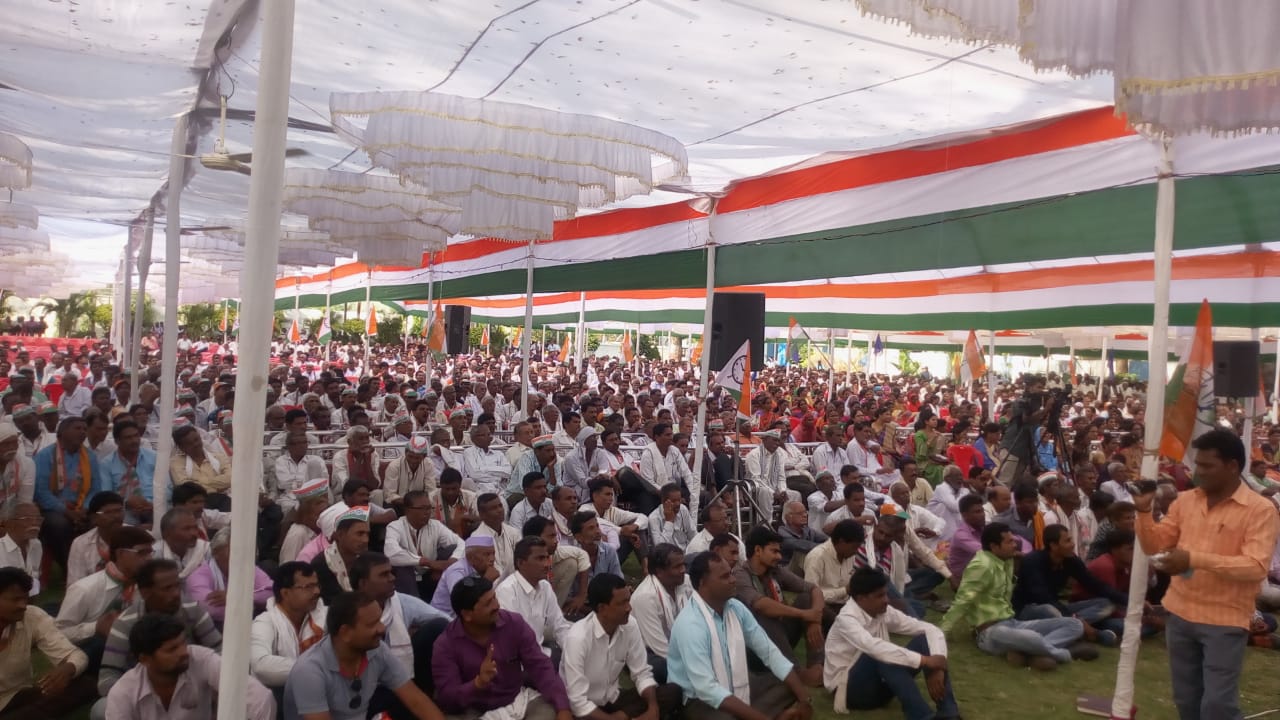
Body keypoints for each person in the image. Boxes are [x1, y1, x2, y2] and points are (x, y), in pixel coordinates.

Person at [1133, 429, 1280, 720]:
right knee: (1186, 701)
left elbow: (1255, 567)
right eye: (1197, 464)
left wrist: (1192, 559)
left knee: (1217, 705)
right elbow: (1155, 545)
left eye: (1207, 465)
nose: (1198, 472)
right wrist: (1143, 512)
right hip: (1179, 614)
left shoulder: (1259, 510)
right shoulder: (1186, 501)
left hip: (1224, 619)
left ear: (1233, 466)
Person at [667, 552, 813, 720]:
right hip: (698, 700)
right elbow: (706, 688)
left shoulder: (736, 608)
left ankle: (753, 713)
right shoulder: (690, 624)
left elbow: (769, 652)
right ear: (702, 583)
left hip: (736, 685)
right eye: (725, 577)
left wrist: (805, 700)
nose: (733, 580)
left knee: (789, 684)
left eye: (731, 573)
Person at [938, 522, 1087, 671]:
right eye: (1009, 542)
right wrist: (941, 633)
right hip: (989, 632)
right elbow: (962, 601)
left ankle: (1030, 652)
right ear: (994, 546)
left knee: (1074, 625)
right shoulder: (981, 565)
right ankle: (1063, 654)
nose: (1015, 545)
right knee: (1030, 637)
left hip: (1012, 622)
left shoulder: (1007, 560)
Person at [282, 591, 445, 720]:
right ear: (345, 632)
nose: (382, 628)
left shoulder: (377, 650)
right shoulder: (310, 671)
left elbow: (416, 700)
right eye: (372, 624)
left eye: (379, 620)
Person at [824, 567, 959, 719]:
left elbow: (931, 629)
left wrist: (938, 666)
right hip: (849, 692)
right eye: (880, 596)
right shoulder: (846, 619)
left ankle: (949, 713)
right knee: (881, 653)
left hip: (881, 689)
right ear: (861, 598)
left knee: (924, 640)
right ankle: (922, 716)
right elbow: (874, 648)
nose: (887, 600)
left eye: (886, 594)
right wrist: (925, 661)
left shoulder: (883, 611)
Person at [431, 576, 573, 720]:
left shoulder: (513, 623)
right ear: (467, 615)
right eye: (488, 603)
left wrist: (563, 708)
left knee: (549, 711)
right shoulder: (445, 645)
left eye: (494, 598)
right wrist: (478, 683)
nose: (496, 605)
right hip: (473, 709)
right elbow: (448, 699)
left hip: (515, 700)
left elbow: (540, 666)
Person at [105, 613, 274, 720]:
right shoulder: (123, 693)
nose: (183, 652)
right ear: (145, 659)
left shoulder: (201, 659)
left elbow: (260, 698)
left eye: (183, 643)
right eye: (172, 649)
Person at [97, 558, 223, 699]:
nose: (176, 593)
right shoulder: (125, 624)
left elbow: (220, 652)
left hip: (192, 688)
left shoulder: (193, 610)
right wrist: (142, 698)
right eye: (167, 588)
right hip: (141, 695)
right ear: (145, 593)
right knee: (102, 708)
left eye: (177, 586)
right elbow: (107, 678)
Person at [561, 574, 681, 720]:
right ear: (602, 608)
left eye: (628, 601)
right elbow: (578, 702)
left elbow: (641, 673)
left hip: (613, 700)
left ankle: (625, 716)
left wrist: (652, 708)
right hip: (586, 710)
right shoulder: (578, 638)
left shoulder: (630, 625)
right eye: (621, 603)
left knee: (672, 692)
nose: (629, 608)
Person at [733, 526, 825, 686]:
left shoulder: (775, 571)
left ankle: (817, 665)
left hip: (780, 637)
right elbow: (761, 605)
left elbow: (814, 589)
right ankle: (796, 672)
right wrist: (804, 614)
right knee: (765, 614)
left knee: (807, 599)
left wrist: (815, 618)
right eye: (774, 551)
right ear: (758, 550)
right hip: (752, 647)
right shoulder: (740, 574)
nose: (779, 556)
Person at [349, 552, 451, 697]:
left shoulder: (400, 602)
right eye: (384, 575)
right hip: (362, 684)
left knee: (439, 626)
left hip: (403, 676)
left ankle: (426, 692)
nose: (392, 578)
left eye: (391, 573)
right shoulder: (345, 612)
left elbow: (447, 621)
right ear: (363, 584)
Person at [0, 567, 96, 719]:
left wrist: (67, 668)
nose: (23, 605)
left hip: (17, 695)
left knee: (86, 684)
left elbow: (76, 655)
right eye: (15, 599)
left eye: (25, 598)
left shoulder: (32, 616)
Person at [1012, 523, 1124, 647]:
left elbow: (1095, 585)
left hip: (1058, 609)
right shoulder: (1032, 561)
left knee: (1107, 603)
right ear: (1053, 545)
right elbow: (1043, 597)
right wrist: (1072, 616)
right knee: (1049, 609)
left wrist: (1128, 600)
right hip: (1028, 610)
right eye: (1067, 541)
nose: (1073, 544)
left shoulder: (1070, 560)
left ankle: (1076, 627)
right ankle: (1094, 633)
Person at [33, 416, 103, 570]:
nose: (82, 432)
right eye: (77, 428)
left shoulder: (89, 456)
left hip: (82, 508)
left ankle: (95, 567)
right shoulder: (45, 456)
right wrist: (66, 511)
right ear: (62, 432)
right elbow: (41, 492)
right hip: (53, 508)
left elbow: (95, 488)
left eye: (84, 429)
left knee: (98, 521)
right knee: (59, 525)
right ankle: (70, 569)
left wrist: (85, 508)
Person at [249, 561, 328, 692]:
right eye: (308, 587)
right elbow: (260, 665)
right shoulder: (265, 622)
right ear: (285, 593)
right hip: (276, 696)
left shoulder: (324, 615)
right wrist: (315, 668)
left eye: (316, 585)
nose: (316, 591)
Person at [495, 536, 572, 654]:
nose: (547, 564)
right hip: (519, 659)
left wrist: (572, 653)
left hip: (540, 655)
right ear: (521, 563)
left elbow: (560, 627)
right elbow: (511, 639)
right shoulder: (506, 591)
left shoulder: (545, 587)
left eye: (547, 558)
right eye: (540, 559)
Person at [629, 543, 691, 683]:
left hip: (678, 646)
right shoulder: (645, 597)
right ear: (659, 571)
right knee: (661, 668)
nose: (683, 570)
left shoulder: (685, 581)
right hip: (649, 651)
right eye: (677, 567)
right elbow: (659, 648)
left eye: (683, 565)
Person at [187, 526, 274, 624]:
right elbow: (211, 610)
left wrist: (237, 596)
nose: (240, 556)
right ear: (216, 553)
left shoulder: (246, 566)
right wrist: (253, 603)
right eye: (234, 551)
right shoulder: (198, 576)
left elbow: (272, 593)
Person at [384, 490, 462, 599]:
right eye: (422, 508)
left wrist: (451, 561)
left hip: (429, 574)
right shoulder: (395, 526)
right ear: (407, 510)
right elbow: (391, 553)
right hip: (408, 577)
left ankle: (450, 599)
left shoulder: (435, 525)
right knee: (403, 567)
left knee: (453, 550)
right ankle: (413, 604)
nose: (427, 512)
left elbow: (461, 544)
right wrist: (426, 562)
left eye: (429, 508)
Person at [99, 420, 157, 526]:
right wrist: (126, 502)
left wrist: (150, 504)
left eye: (136, 436)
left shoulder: (154, 457)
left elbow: (167, 487)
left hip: (155, 508)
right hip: (125, 511)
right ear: (117, 441)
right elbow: (105, 495)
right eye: (128, 438)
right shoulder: (106, 464)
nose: (134, 440)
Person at [802, 519, 864, 617]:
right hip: (823, 608)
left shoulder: (849, 555)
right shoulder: (817, 557)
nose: (856, 551)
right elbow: (810, 596)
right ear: (841, 542)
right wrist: (845, 591)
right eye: (854, 547)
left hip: (845, 606)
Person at [430, 535, 500, 618]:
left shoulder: (484, 569)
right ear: (471, 558)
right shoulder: (456, 571)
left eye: (493, 554)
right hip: (443, 619)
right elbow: (462, 600)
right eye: (487, 555)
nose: (492, 559)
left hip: (467, 616)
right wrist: (486, 580)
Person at [66, 490, 124, 586]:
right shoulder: (81, 543)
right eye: (108, 512)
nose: (116, 516)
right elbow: (75, 585)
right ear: (94, 518)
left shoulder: (138, 537)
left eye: (119, 511)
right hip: (93, 593)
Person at [313, 508, 372, 602]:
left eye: (367, 534)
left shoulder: (367, 561)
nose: (366, 540)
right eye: (360, 534)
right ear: (340, 535)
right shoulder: (321, 565)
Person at [996, 376, 1046, 485]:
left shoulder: (1038, 405)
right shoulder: (1020, 402)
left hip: (1025, 449)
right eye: (1038, 387)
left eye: (1042, 388)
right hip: (1012, 447)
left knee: (1016, 484)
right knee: (1005, 482)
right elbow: (1026, 419)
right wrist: (1046, 409)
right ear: (1029, 387)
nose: (1041, 390)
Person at [153, 507, 210, 583]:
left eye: (195, 528)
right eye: (186, 529)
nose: (194, 533)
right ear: (167, 534)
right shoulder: (153, 555)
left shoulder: (207, 550)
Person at [472, 492, 522, 578]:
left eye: (500, 506)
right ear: (482, 515)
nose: (500, 510)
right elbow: (491, 572)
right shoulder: (477, 539)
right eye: (493, 508)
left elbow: (522, 561)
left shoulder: (513, 532)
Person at [384, 436, 439, 507]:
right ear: (405, 452)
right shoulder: (394, 466)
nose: (413, 461)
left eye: (417, 458)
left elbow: (431, 491)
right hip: (398, 505)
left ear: (424, 456)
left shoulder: (428, 464)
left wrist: (419, 503)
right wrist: (410, 504)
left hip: (420, 505)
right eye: (410, 456)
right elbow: (389, 495)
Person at [0, 503, 42, 595]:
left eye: (38, 519)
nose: (35, 523)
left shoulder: (36, 545)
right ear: (10, 523)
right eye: (27, 519)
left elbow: (35, 579)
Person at [945, 494, 987, 581]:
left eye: (982, 511)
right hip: (964, 579)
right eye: (977, 512)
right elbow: (985, 552)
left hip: (978, 573)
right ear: (965, 515)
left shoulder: (982, 527)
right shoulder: (961, 535)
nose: (983, 515)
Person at [776, 500, 825, 567]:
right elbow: (803, 546)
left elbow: (827, 540)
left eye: (805, 512)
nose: (805, 515)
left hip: (808, 566)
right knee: (802, 554)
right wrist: (828, 547)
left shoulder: (808, 530)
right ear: (788, 517)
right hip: (787, 568)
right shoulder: (782, 534)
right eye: (799, 513)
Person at [648, 482, 696, 548]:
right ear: (663, 501)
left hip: (685, 552)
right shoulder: (654, 518)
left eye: (679, 500)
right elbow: (660, 547)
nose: (678, 504)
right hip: (666, 553)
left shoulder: (683, 509)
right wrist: (669, 521)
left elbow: (693, 534)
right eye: (673, 501)